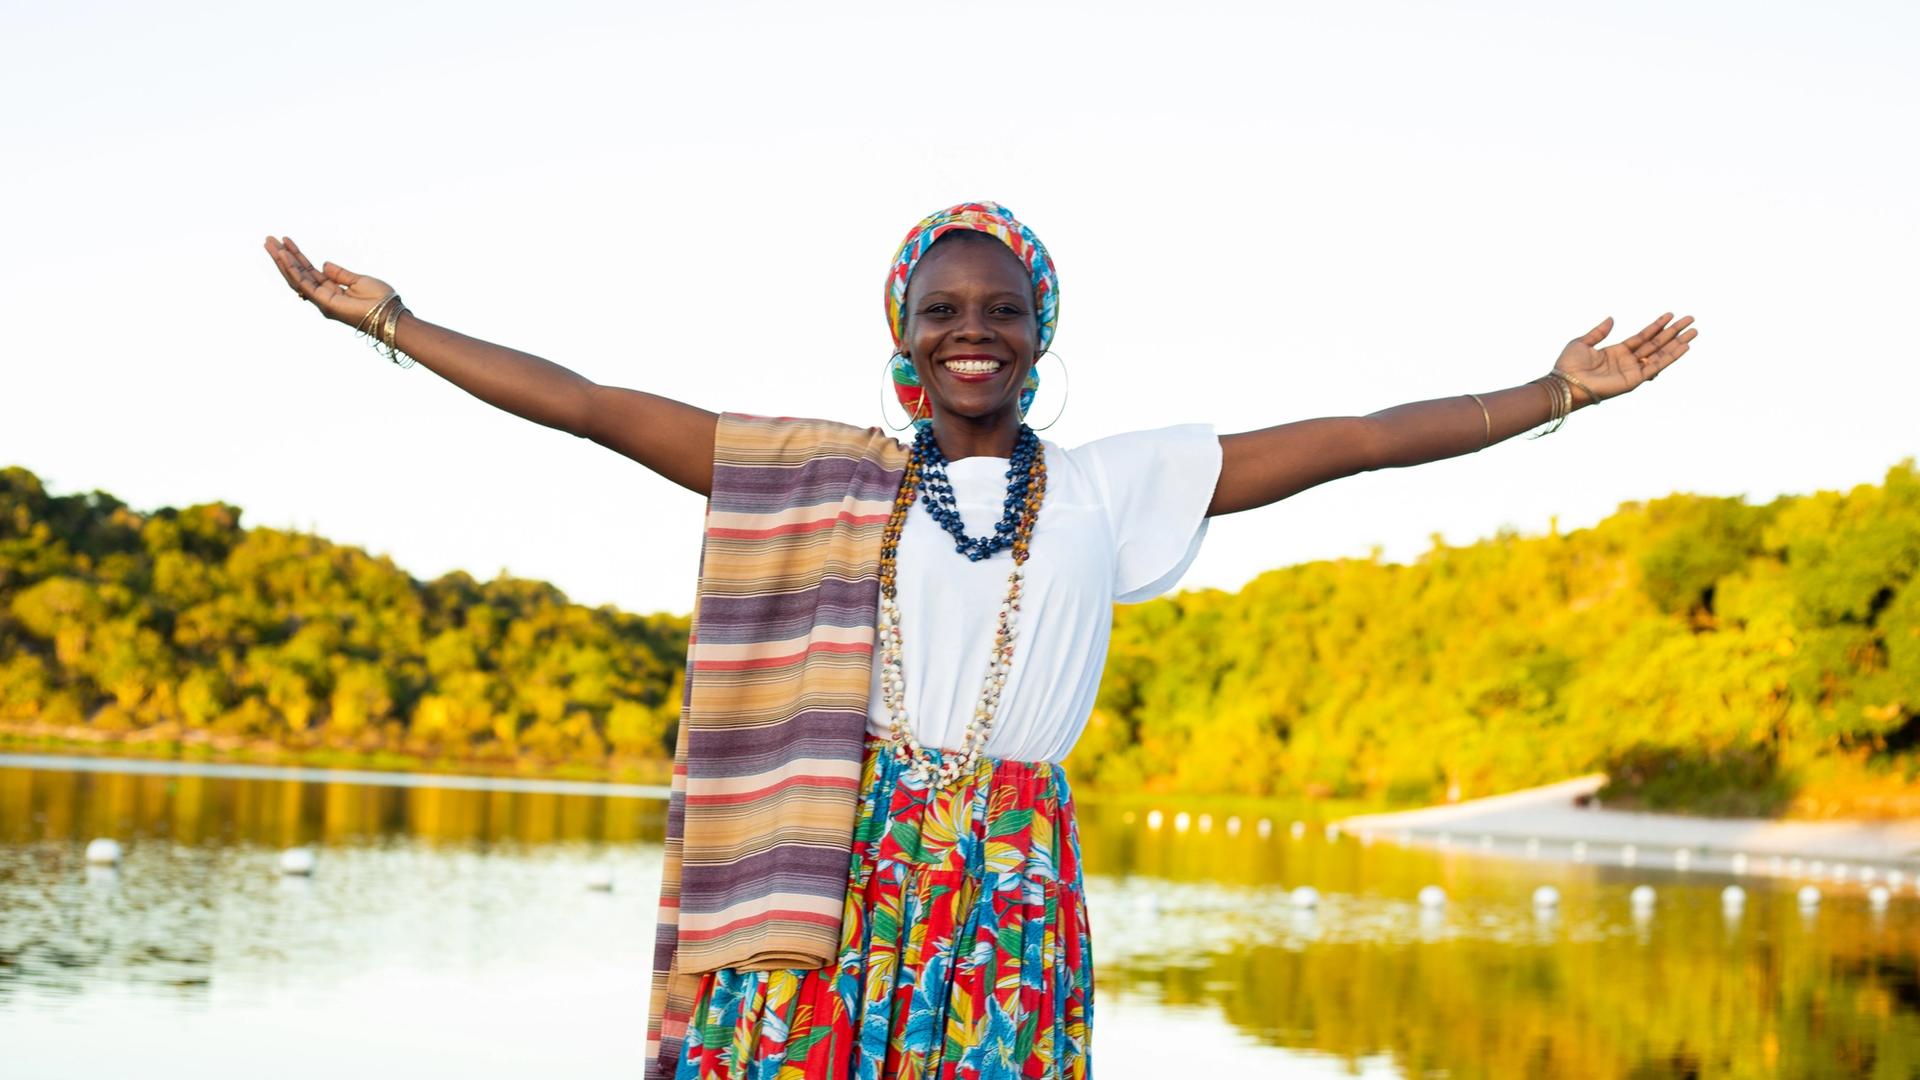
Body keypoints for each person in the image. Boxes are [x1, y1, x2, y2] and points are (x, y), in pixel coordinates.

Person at [262, 202, 1696, 1079]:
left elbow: (1362, 444)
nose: (973, 331)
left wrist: (1550, 393)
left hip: (1012, 865)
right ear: (903, 334)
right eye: (942, 310)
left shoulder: (1105, 485)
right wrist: (394, 320)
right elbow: (588, 403)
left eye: (1000, 310)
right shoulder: (824, 471)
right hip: (835, 850)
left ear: (1038, 332)